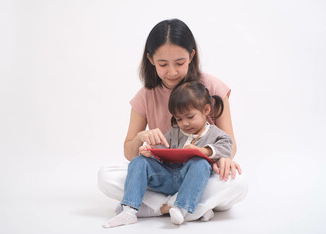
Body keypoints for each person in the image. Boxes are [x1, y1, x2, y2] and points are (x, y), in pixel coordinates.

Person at [98, 18, 248, 223]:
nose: (172, 72)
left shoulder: (212, 87)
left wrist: (222, 158)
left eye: (179, 63)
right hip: (164, 174)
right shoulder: (145, 95)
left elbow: (229, 143)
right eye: (162, 64)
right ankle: (187, 207)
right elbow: (130, 154)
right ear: (150, 59)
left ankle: (157, 206)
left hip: (202, 171)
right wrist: (143, 140)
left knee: (238, 184)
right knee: (106, 175)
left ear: (191, 56)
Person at [103, 81, 233, 228]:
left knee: (203, 165)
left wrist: (203, 151)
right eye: (179, 119)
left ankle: (180, 208)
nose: (185, 123)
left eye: (190, 117)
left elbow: (228, 146)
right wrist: (150, 152)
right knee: (138, 161)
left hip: (192, 182)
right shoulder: (174, 131)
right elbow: (161, 148)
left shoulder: (215, 133)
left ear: (206, 110)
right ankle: (129, 210)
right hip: (167, 178)